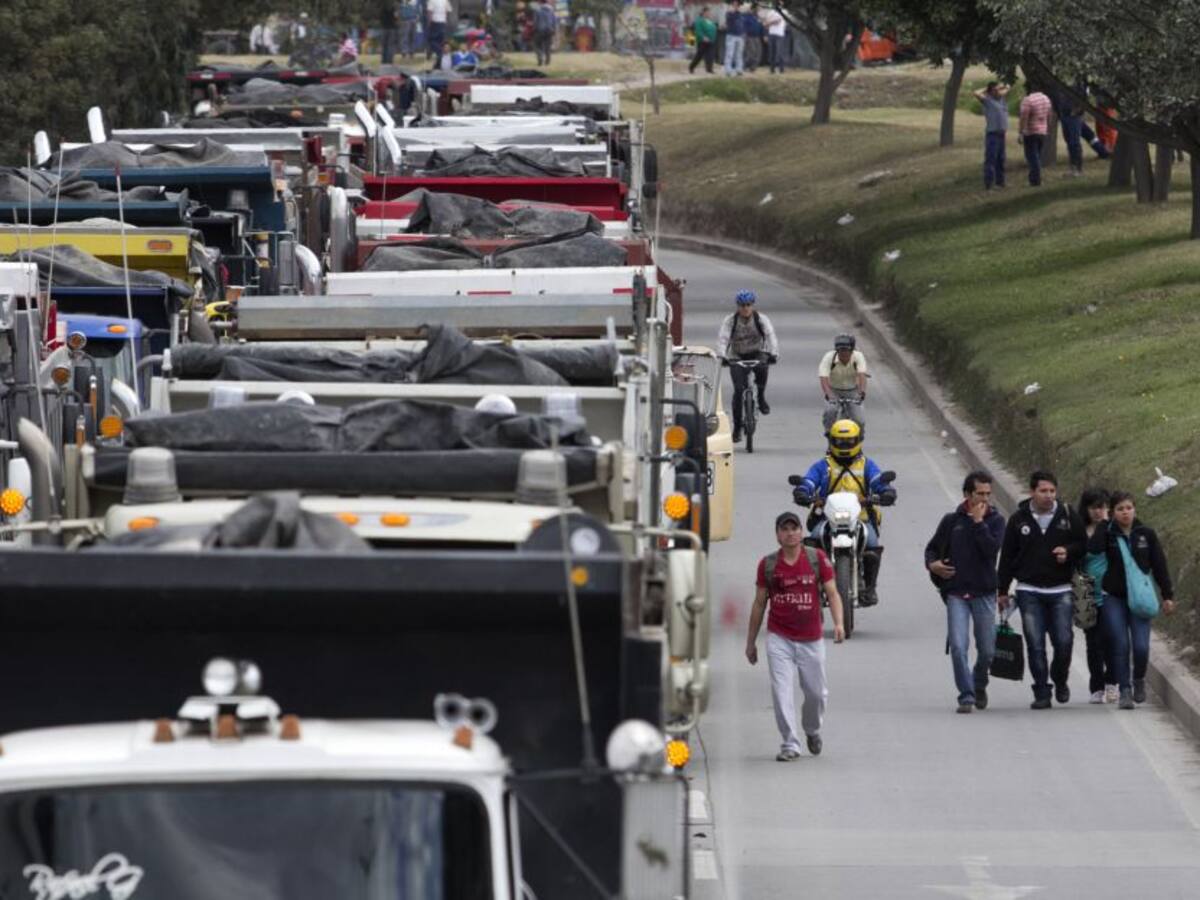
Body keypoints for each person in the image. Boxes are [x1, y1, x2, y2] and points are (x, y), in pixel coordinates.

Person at [746, 510, 845, 761]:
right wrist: (750, 643)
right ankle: (790, 743)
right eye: (785, 529)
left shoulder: (817, 559)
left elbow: (833, 593)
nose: (790, 533)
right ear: (778, 535)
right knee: (781, 692)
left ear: (802, 532)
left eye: (794, 528)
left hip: (811, 638)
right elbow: (759, 604)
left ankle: (812, 729)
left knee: (817, 693)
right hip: (779, 638)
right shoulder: (768, 565)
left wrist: (839, 624)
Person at [997, 470, 1087, 709]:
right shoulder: (1019, 520)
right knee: (1035, 643)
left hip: (1061, 589)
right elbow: (1006, 557)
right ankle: (1041, 690)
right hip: (1029, 590)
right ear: (1032, 492)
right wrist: (1002, 590)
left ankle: (1060, 679)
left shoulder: (1068, 515)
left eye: (1052, 491)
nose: (1048, 496)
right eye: (1043, 491)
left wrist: (1068, 551)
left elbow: (1082, 544)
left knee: (1064, 640)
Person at [926, 471, 1006, 713]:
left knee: (988, 651)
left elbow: (991, 550)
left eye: (987, 494)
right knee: (959, 646)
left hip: (984, 593)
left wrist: (980, 523)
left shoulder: (996, 521)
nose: (984, 499)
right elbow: (932, 549)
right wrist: (933, 565)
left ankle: (978, 682)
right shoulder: (952, 521)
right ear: (967, 494)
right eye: (979, 493)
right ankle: (966, 695)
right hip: (957, 594)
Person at [1087, 491, 1176, 710]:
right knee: (1119, 643)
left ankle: (1138, 680)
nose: (1125, 512)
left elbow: (1159, 565)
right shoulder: (1107, 533)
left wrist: (1167, 595)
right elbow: (1093, 548)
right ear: (1113, 512)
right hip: (1113, 597)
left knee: (1140, 646)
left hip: (1140, 599)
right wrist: (1103, 524)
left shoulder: (1145, 534)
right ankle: (1124, 689)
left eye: (1128, 508)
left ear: (1134, 509)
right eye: (1120, 509)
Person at [792, 419, 896, 606]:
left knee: (872, 545)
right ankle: (812, 587)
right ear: (831, 440)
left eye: (849, 441)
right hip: (827, 519)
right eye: (840, 441)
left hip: (860, 519)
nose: (844, 445)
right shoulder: (823, 466)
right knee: (812, 544)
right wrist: (802, 491)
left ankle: (870, 588)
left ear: (858, 441)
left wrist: (886, 491)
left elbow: (878, 481)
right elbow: (809, 481)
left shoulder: (866, 465)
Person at [716, 289, 779, 444]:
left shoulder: (761, 319)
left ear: (752, 305)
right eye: (742, 305)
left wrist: (774, 354)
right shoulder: (730, 321)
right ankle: (737, 428)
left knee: (763, 368)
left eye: (748, 305)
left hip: (757, 353)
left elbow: (771, 336)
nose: (745, 308)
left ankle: (761, 397)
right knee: (738, 390)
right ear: (738, 306)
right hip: (737, 356)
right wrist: (722, 356)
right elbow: (723, 338)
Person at [1078, 487, 1118, 704]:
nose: (1098, 511)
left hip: (1109, 593)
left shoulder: (1112, 530)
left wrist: (1104, 525)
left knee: (1110, 640)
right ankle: (1097, 686)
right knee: (1092, 643)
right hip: (1085, 592)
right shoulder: (1078, 530)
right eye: (1094, 507)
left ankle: (1112, 682)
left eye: (1103, 507)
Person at [818, 333, 867, 431]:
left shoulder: (858, 356)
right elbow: (823, 377)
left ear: (852, 350)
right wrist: (829, 394)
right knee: (830, 412)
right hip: (834, 390)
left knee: (860, 420)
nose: (843, 353)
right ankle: (829, 433)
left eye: (846, 350)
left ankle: (858, 440)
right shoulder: (829, 357)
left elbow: (862, 375)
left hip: (852, 391)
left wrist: (861, 392)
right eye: (840, 350)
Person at [973, 81, 1009, 190]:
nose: (999, 91)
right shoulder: (987, 100)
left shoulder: (1002, 99)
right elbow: (975, 93)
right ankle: (989, 184)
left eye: (999, 89)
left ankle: (1000, 182)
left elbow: (1008, 87)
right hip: (992, 135)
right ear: (991, 91)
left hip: (1002, 134)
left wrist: (1002, 86)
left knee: (1001, 159)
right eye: (996, 90)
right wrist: (987, 89)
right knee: (991, 159)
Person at [1018, 82, 1052, 187]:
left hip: (1031, 132)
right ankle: (1035, 178)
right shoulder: (1046, 99)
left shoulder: (1028, 100)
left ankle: (1035, 180)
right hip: (1042, 131)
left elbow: (1024, 117)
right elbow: (1049, 115)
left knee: (1032, 157)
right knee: (1037, 155)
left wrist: (1021, 132)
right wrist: (1047, 127)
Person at [689, 7, 717, 75]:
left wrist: (713, 38)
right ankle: (691, 67)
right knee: (699, 55)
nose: (708, 14)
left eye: (709, 12)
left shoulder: (710, 21)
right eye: (707, 12)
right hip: (702, 41)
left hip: (711, 41)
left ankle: (709, 69)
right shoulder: (699, 20)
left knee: (710, 55)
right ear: (704, 13)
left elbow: (714, 29)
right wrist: (703, 37)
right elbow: (697, 30)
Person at [723, 2, 745, 77]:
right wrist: (733, 11)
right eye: (734, 5)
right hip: (731, 35)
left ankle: (739, 69)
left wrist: (743, 33)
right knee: (730, 53)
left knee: (739, 54)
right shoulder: (729, 13)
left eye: (737, 5)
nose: (736, 6)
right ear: (732, 5)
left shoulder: (741, 14)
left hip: (740, 36)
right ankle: (728, 70)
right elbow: (728, 20)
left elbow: (742, 24)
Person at [426, 0, 450, 67]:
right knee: (440, 40)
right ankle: (439, 56)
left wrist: (429, 22)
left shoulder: (432, 1)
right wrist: (445, 19)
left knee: (431, 40)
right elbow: (447, 11)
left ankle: (440, 53)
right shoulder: (445, 1)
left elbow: (430, 12)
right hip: (443, 22)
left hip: (435, 22)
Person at [533, 0, 557, 66]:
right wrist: (554, 30)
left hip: (540, 30)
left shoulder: (538, 11)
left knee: (537, 45)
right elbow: (554, 21)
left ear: (540, 2)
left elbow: (535, 22)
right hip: (550, 30)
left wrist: (534, 30)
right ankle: (547, 61)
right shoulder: (552, 11)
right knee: (548, 46)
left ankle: (540, 58)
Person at [764, 5, 786, 73]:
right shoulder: (771, 12)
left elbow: (778, 22)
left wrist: (770, 22)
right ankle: (772, 69)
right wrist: (770, 22)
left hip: (780, 34)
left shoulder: (783, 11)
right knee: (772, 53)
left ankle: (781, 69)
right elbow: (765, 23)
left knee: (779, 53)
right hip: (771, 34)